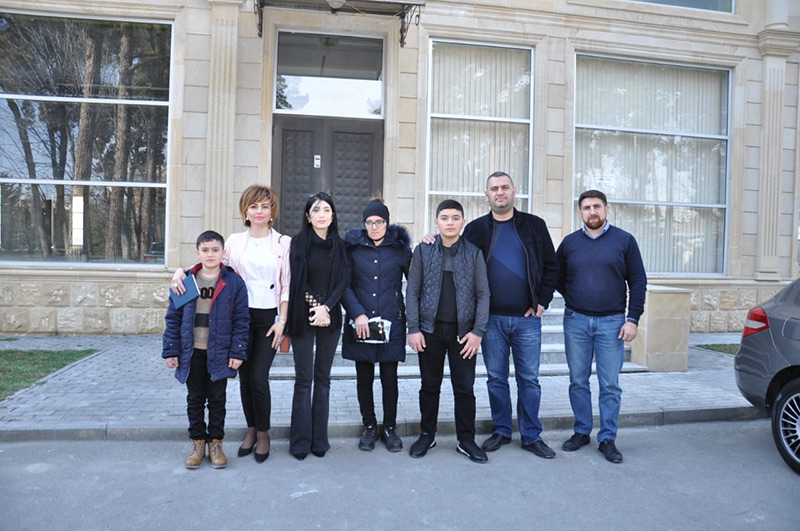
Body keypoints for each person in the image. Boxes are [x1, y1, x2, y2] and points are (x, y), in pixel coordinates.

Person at [172, 185, 291, 464]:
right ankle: (250, 430)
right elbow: (210, 264)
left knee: (259, 378)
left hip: (268, 318)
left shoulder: (283, 243)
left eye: (264, 206)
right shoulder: (236, 241)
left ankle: (263, 433)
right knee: (245, 378)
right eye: (254, 206)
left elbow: (287, 284)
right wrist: (181, 271)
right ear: (245, 211)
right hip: (237, 316)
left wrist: (282, 321)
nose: (259, 211)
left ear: (272, 211)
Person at [462, 171, 559, 459]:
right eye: (494, 188)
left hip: (527, 320)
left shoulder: (534, 225)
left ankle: (531, 435)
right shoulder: (475, 230)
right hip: (490, 320)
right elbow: (460, 263)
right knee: (496, 378)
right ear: (487, 195)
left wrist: (542, 301)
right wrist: (431, 238)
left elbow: (551, 267)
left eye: (505, 187)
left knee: (529, 380)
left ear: (514, 191)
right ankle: (502, 430)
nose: (500, 192)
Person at [556, 189, 646, 463]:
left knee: (609, 384)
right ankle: (582, 431)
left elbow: (638, 281)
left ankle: (607, 438)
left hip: (612, 323)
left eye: (597, 206)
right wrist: (574, 296)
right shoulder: (570, 243)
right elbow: (557, 277)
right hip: (576, 322)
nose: (592, 212)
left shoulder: (624, 241)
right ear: (580, 212)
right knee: (578, 381)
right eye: (586, 207)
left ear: (607, 209)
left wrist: (633, 319)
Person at [406, 199, 490, 464]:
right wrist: (413, 328)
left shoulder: (473, 253)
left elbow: (483, 294)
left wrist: (478, 331)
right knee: (429, 386)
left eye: (455, 218)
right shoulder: (423, 251)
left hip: (463, 334)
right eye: (444, 218)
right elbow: (412, 291)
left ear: (463, 222)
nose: (450, 223)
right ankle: (426, 435)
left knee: (464, 388)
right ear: (436, 222)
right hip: (429, 331)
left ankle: (466, 440)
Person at [162, 230, 249, 469]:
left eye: (215, 250)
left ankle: (216, 443)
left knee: (218, 399)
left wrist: (237, 351)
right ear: (197, 253)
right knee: (195, 399)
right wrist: (171, 350)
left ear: (223, 253)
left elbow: (242, 320)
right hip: (192, 352)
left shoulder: (233, 283)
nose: (210, 254)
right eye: (205, 250)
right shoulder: (186, 282)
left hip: (219, 352)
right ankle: (197, 443)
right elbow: (173, 318)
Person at [342, 199, 412, 452]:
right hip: (361, 323)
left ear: (387, 222)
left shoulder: (400, 249)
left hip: (391, 323)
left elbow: (415, 282)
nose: (374, 227)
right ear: (364, 224)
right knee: (364, 378)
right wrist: (357, 313)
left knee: (389, 378)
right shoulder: (352, 249)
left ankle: (390, 428)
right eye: (369, 222)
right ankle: (369, 426)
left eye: (379, 222)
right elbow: (344, 285)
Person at [286, 192, 349, 460]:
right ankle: (300, 441)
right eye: (315, 210)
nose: (321, 214)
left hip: (331, 317)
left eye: (326, 210)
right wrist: (316, 306)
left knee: (323, 378)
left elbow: (344, 280)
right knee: (304, 379)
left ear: (333, 215)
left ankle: (319, 440)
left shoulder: (341, 246)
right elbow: (297, 280)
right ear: (307, 216)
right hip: (302, 316)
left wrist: (327, 307)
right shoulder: (298, 244)